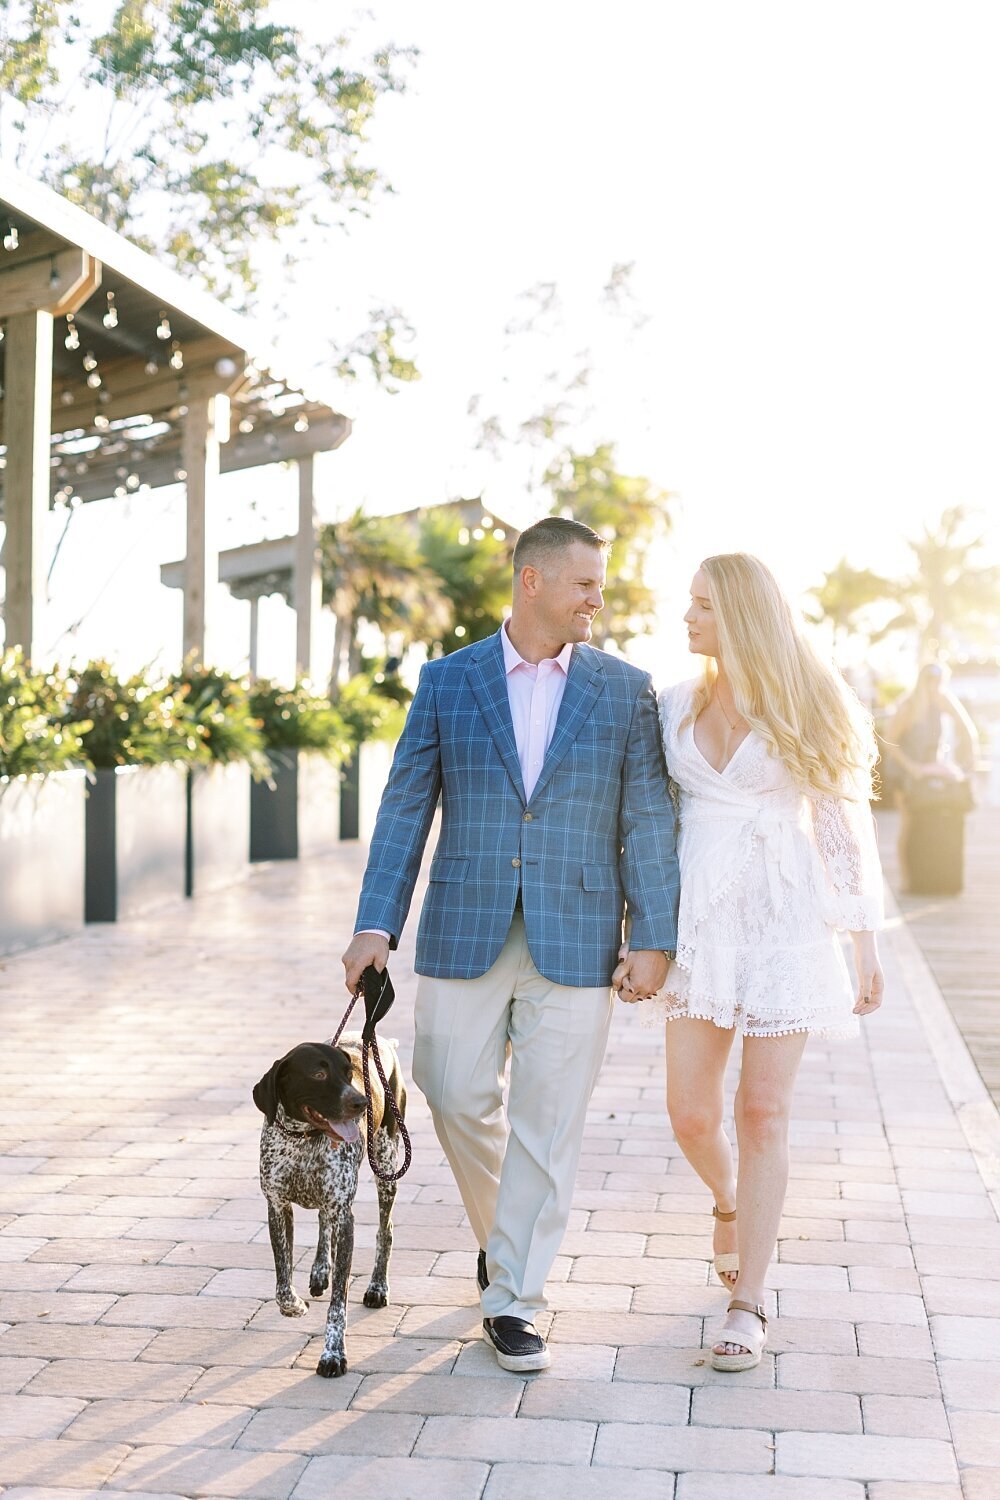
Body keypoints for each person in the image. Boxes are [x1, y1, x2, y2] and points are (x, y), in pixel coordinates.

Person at [341, 516, 680, 1372]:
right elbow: (405, 805)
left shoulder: (625, 689)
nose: (597, 598)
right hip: (465, 926)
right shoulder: (447, 681)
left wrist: (654, 934)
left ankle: (516, 1297)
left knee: (548, 1123)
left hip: (580, 932)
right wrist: (375, 922)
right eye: (585, 583)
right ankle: (507, 1240)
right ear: (533, 582)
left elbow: (648, 818)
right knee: (450, 1092)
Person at [626, 553, 884, 1373]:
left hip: (784, 919)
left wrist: (863, 937)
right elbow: (646, 819)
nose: (687, 617)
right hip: (702, 923)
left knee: (763, 1112)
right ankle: (730, 1202)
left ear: (739, 614)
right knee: (692, 1113)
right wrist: (642, 930)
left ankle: (748, 1305)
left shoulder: (811, 698)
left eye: (701, 604)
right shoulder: (670, 706)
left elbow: (842, 823)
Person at [884, 663, 977, 892]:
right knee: (909, 823)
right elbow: (890, 741)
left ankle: (931, 876)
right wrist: (912, 767)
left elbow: (967, 730)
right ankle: (908, 879)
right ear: (922, 681)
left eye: (940, 682)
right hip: (905, 771)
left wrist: (965, 764)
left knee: (931, 822)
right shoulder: (908, 707)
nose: (935, 686)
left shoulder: (943, 700)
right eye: (931, 681)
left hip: (930, 773)